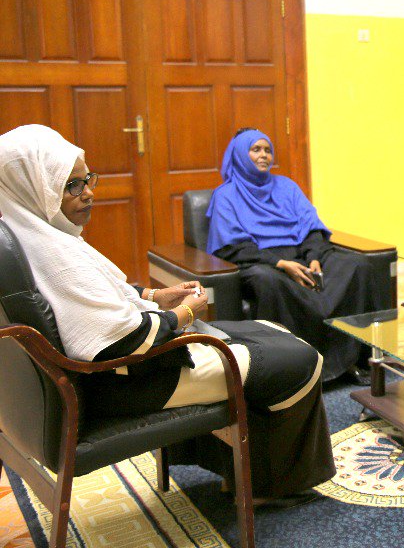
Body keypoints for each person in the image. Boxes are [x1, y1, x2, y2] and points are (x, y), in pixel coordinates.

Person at [0, 125, 335, 501]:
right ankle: (271, 487)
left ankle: (237, 472)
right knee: (302, 359)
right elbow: (122, 339)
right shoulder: (57, 257)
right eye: (71, 185)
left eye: (87, 179)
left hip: (125, 370)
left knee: (269, 329)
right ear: (32, 188)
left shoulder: (33, 237)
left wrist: (154, 295)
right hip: (133, 379)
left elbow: (95, 297)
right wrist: (186, 314)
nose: (89, 192)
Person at [206, 128, 374, 383]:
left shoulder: (287, 186)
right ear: (240, 154)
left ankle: (349, 360)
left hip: (303, 255)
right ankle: (292, 370)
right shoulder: (225, 195)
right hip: (263, 261)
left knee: (357, 265)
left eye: (268, 150)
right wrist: (282, 264)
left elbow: (310, 226)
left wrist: (314, 258)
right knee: (267, 280)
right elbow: (232, 246)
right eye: (256, 149)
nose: (264, 155)